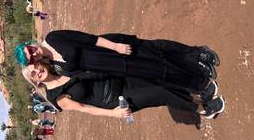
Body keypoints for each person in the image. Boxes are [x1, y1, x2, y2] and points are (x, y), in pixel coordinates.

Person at [15, 30, 219, 93]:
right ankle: (197, 71)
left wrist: (115, 46)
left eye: (30, 49)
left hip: (113, 48)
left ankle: (198, 53)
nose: (34, 52)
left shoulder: (53, 38)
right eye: (31, 57)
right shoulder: (53, 66)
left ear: (30, 44)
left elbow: (87, 39)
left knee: (155, 48)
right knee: (156, 67)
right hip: (113, 66)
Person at [23, 62, 225, 120]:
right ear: (34, 81)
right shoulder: (55, 97)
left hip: (117, 80)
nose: (38, 71)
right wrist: (113, 113)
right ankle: (202, 109)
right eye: (34, 74)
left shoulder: (60, 69)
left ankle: (196, 97)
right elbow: (85, 108)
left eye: (37, 67)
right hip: (116, 100)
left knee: (159, 83)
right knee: (159, 94)